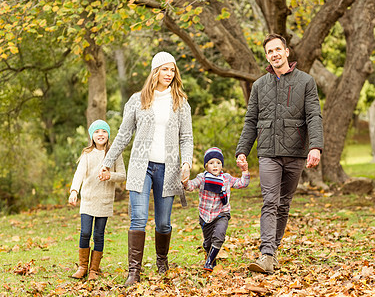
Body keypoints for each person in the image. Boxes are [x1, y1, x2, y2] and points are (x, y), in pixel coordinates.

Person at [99, 51, 193, 286]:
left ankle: (162, 262)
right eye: (164, 69)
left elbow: (187, 137)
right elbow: (123, 135)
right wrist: (107, 161)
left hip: (169, 169)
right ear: (155, 71)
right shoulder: (137, 100)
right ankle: (134, 272)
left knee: (163, 222)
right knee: (138, 219)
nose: (169, 74)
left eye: (172, 70)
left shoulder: (180, 102)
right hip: (142, 168)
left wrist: (187, 162)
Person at [235, 34, 324, 274]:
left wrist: (315, 146)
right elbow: (251, 120)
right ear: (267, 57)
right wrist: (243, 149)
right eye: (269, 52)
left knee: (284, 204)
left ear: (286, 51)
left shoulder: (306, 82)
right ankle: (266, 254)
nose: (274, 54)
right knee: (270, 201)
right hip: (268, 153)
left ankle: (272, 252)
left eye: (277, 49)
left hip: (295, 153)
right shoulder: (259, 85)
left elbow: (313, 115)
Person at [68, 119, 126, 281]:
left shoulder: (114, 153)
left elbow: (122, 176)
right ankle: (82, 266)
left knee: (99, 235)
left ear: (108, 134)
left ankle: (94, 269)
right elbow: (79, 174)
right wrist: (74, 191)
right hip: (88, 200)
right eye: (97, 132)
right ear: (91, 136)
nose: (100, 134)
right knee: (85, 232)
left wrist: (110, 175)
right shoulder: (87, 153)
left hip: (105, 201)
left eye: (104, 131)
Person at [182, 147, 250, 271]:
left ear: (222, 165)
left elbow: (242, 183)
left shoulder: (227, 179)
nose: (215, 166)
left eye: (218, 163)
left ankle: (208, 262)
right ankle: (211, 258)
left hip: (221, 213)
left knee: (219, 236)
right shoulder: (202, 178)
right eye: (211, 163)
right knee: (208, 243)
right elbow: (191, 186)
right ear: (206, 165)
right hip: (205, 216)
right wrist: (186, 183)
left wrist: (244, 171)